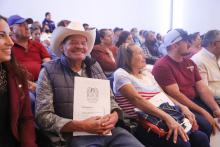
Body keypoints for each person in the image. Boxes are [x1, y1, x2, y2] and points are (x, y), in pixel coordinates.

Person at [35, 21, 145, 147]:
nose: (79, 46)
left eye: (83, 43)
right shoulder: (49, 71)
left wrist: (114, 115)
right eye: (73, 42)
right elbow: (42, 116)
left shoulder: (95, 66)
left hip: (108, 131)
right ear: (62, 47)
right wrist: (81, 125)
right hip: (75, 136)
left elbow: (110, 99)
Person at [113, 43, 209, 147]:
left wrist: (182, 107)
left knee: (201, 138)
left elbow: (162, 94)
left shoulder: (146, 73)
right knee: (182, 144)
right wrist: (168, 118)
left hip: (163, 115)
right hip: (142, 122)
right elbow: (138, 100)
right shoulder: (121, 74)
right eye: (140, 53)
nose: (144, 56)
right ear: (128, 57)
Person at [152, 29, 220, 139]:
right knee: (207, 125)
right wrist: (203, 111)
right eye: (186, 41)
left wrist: (215, 108)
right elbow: (177, 95)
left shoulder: (190, 62)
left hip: (193, 101)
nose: (190, 44)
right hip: (179, 105)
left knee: (214, 118)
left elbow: (202, 88)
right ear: (175, 45)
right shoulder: (162, 66)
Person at [0, 15, 37, 147]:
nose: (10, 42)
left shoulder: (16, 73)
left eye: (9, 35)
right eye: (1, 35)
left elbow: (25, 118)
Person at [191, 30, 220, 104]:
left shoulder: (217, 57)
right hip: (212, 103)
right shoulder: (198, 60)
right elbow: (204, 91)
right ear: (214, 44)